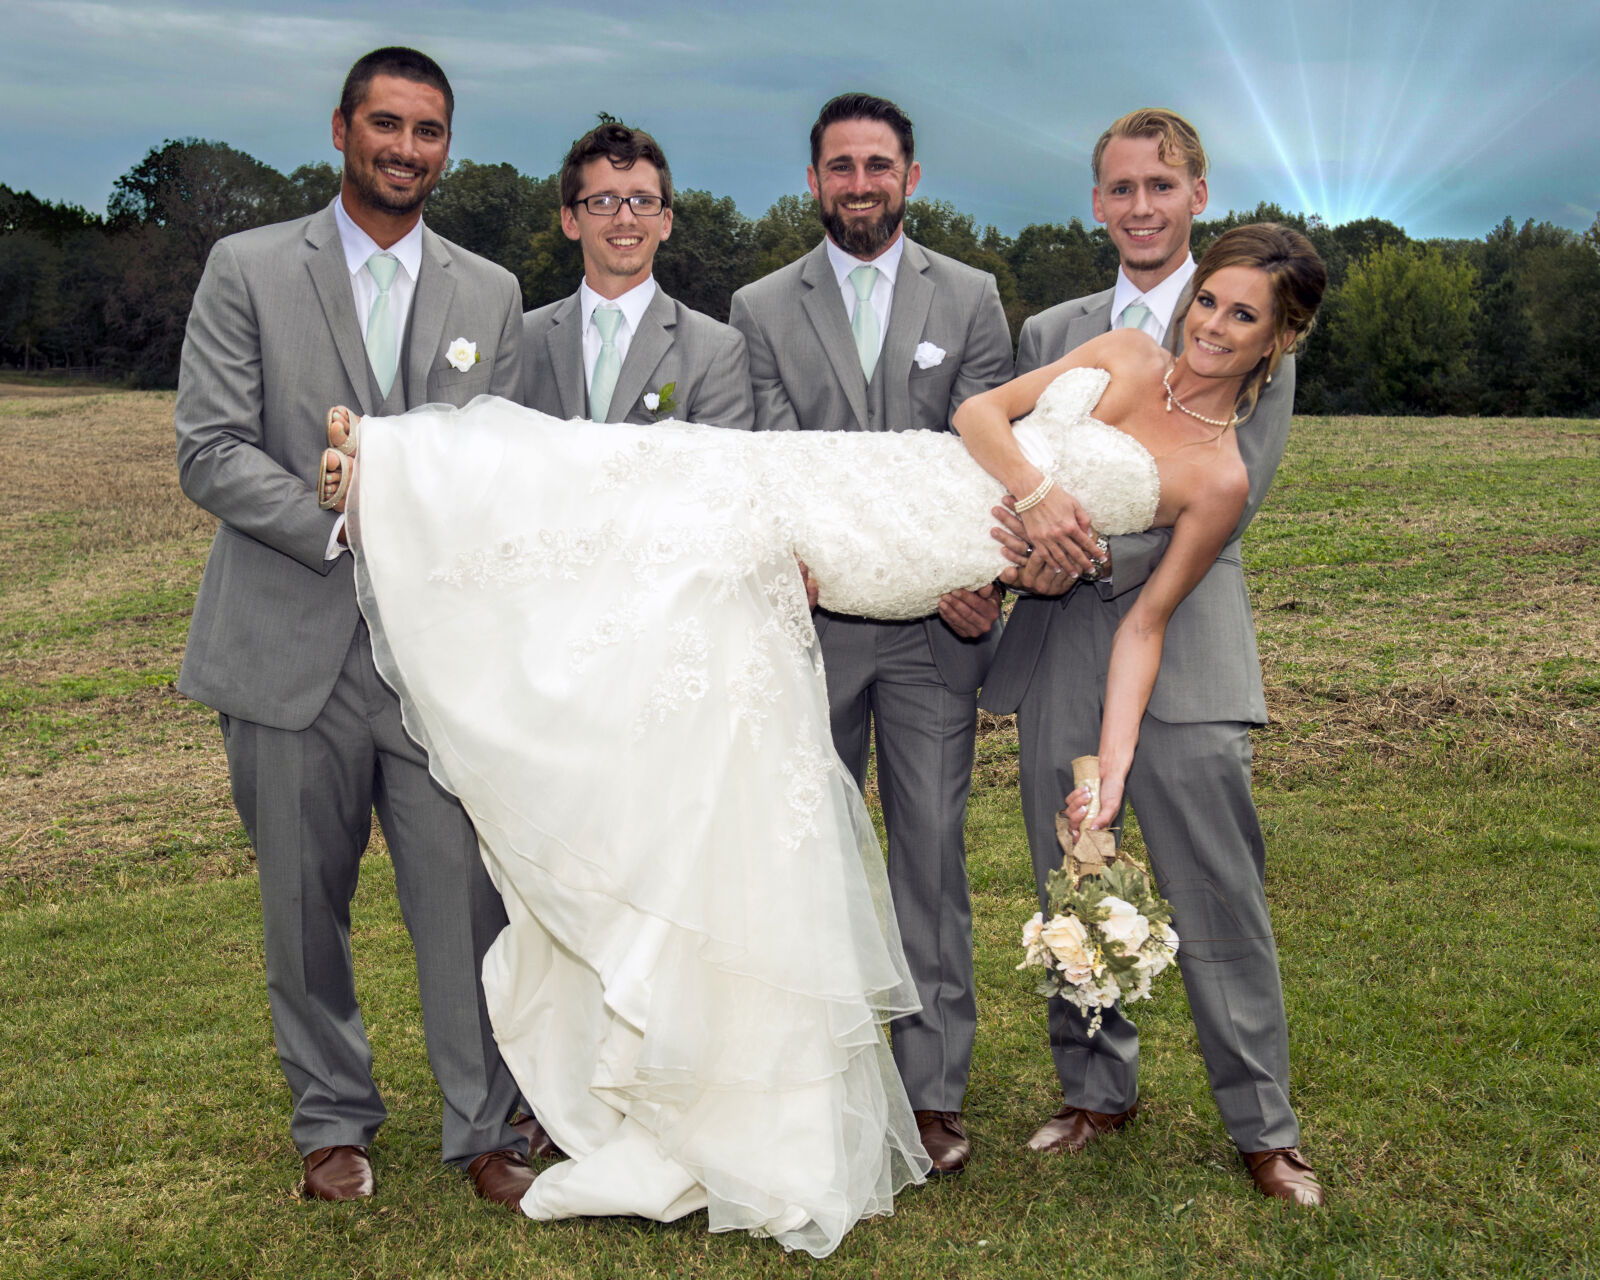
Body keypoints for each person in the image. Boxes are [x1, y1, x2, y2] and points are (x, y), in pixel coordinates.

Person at [317, 220, 1322, 1253]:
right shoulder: (1121, 351)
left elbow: (1145, 624)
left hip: (919, 555)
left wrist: (1107, 775)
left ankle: (405, 489)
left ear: (1273, 341)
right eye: (1208, 300)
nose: (1211, 324)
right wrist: (1035, 489)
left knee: (689, 515)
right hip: (907, 474)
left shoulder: (1220, 477)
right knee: (683, 470)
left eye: (1240, 316)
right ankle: (404, 470)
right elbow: (980, 411)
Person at [173, 46, 532, 1206]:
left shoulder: (491, 292)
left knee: (464, 902)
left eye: (427, 131)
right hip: (286, 644)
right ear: (341, 130)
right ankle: (332, 1116)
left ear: (446, 146)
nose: (405, 149)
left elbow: (504, 466)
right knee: (301, 902)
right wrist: (348, 518)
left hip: (436, 664)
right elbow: (211, 448)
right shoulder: (246, 266)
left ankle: (483, 1124)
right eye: (385, 125)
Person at [980, 108, 1327, 1206]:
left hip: (1181, 636)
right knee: (1074, 876)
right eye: (1120, 187)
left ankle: (1262, 1123)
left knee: (1217, 888)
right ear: (1098, 201)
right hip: (1055, 645)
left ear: (1195, 197)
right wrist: (1019, 553)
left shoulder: (1250, 323)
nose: (1140, 205)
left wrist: (1067, 549)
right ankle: (1095, 1086)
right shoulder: (1063, 328)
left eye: (1160, 187)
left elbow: (1229, 502)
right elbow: (1011, 462)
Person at [727, 94, 1017, 1174]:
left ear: (912, 176)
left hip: (936, 628)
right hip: (807, 626)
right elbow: (765, 457)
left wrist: (977, 575)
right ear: (813, 181)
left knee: (929, 858)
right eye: (840, 166)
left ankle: (932, 1087)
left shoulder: (973, 295)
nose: (859, 183)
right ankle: (814, 1067)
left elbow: (986, 449)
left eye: (878, 164)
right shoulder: (759, 306)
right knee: (802, 854)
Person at [519, 120, 754, 430]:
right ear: (570, 220)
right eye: (603, 201)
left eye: (643, 201)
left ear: (666, 221)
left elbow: (718, 474)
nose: (625, 218)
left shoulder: (717, 351)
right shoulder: (520, 340)